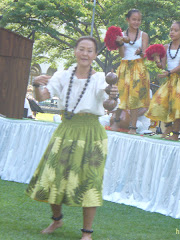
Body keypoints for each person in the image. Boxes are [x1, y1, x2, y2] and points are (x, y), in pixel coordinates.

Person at [25, 36, 119, 240]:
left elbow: (108, 104)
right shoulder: (63, 75)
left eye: (90, 50)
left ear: (94, 55)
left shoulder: (100, 78)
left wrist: (113, 95)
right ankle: (57, 219)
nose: (85, 53)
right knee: (53, 175)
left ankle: (87, 233)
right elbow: (43, 97)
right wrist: (36, 84)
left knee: (90, 181)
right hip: (66, 127)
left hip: (91, 131)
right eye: (82, 49)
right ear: (75, 51)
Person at [145, 21, 180, 141]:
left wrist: (168, 72)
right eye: (171, 29)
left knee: (176, 107)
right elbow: (162, 65)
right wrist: (157, 60)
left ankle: (175, 134)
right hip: (170, 78)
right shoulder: (166, 47)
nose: (172, 32)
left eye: (175, 30)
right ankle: (168, 127)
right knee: (160, 102)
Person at [112, 9, 150, 134]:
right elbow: (122, 55)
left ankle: (132, 127)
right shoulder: (121, 35)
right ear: (127, 20)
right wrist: (120, 43)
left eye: (139, 20)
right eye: (134, 19)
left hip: (138, 68)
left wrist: (141, 52)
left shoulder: (143, 35)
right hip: (124, 67)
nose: (136, 22)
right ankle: (116, 121)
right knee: (121, 95)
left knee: (135, 97)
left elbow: (145, 54)